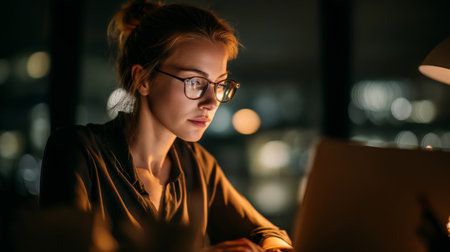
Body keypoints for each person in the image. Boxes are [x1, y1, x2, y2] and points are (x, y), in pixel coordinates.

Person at [39, 0, 293, 251]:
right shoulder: (78, 152)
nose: (211, 102)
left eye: (219, 85)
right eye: (195, 82)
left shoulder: (197, 165)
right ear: (143, 79)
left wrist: (274, 246)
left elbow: (266, 232)